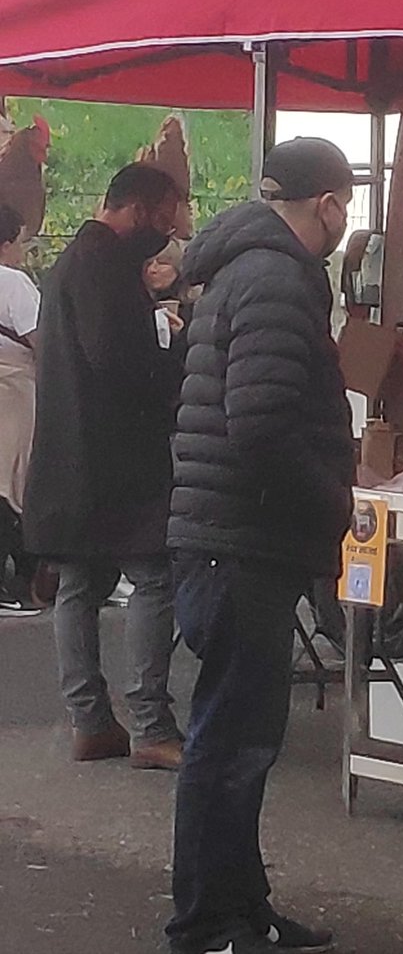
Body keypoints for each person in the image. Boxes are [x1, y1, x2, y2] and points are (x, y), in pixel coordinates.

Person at [166, 137, 356, 954]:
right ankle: (208, 922)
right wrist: (336, 501)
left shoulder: (245, 267)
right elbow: (264, 424)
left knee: (240, 739)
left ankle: (244, 909)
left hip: (229, 537)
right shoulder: (279, 277)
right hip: (243, 540)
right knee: (233, 744)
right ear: (329, 204)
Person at [23, 164, 185, 767]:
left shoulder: (76, 261)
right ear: (140, 208)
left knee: (80, 584)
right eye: (169, 212)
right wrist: (178, 362)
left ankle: (90, 720)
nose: (171, 227)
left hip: (70, 453)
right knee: (154, 575)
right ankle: (150, 725)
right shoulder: (103, 266)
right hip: (115, 458)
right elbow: (117, 361)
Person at [0, 203, 40, 612]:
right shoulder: (12, 283)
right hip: (12, 391)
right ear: (8, 242)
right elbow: (41, 338)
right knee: (10, 484)